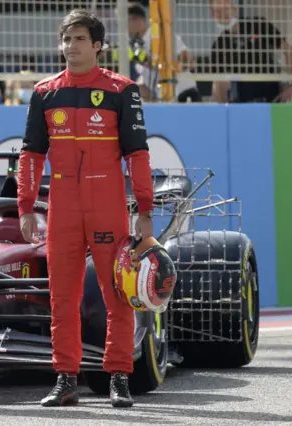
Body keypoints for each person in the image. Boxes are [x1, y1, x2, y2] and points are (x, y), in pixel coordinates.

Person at [17, 9, 154, 408]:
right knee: (62, 298)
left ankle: (118, 377)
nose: (71, 46)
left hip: (107, 206)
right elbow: (30, 155)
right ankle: (65, 379)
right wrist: (26, 206)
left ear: (97, 45)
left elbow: (138, 154)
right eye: (67, 39)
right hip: (62, 209)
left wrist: (144, 207)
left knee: (117, 294)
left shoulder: (121, 90)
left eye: (80, 39)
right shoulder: (45, 92)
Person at [208, 0, 292, 103]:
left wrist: (291, 84)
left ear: (234, 7)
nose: (223, 15)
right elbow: (217, 83)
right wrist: (226, 110)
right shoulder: (219, 46)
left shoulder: (258, 24)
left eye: (226, 9)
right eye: (218, 12)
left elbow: (289, 52)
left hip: (273, 99)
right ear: (213, 15)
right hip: (243, 105)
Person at [127, 2, 201, 102]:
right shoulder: (136, 48)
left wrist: (160, 65)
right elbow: (145, 83)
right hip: (164, 101)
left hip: (185, 95)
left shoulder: (162, 36)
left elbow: (189, 61)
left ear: (137, 20)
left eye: (124, 21)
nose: (122, 27)